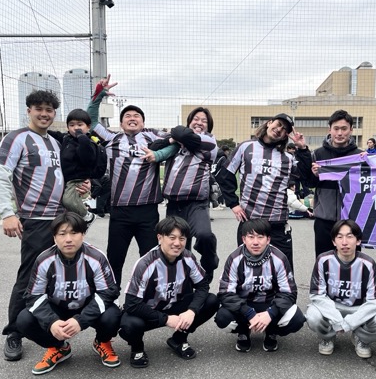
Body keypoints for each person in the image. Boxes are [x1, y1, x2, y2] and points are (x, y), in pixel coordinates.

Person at [0, 89, 90, 361]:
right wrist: (7, 213)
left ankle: (52, 323)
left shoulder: (56, 143)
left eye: (49, 109)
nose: (44, 114)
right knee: (29, 277)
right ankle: (14, 331)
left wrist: (81, 187)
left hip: (61, 218)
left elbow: (64, 177)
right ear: (29, 111)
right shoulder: (17, 138)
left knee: (61, 274)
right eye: (39, 109)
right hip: (35, 220)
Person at [88, 75, 171, 287]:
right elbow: (92, 120)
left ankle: (148, 296)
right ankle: (111, 297)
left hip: (147, 210)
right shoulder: (111, 138)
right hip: (120, 211)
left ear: (143, 122)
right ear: (121, 123)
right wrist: (98, 94)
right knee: (114, 258)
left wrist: (159, 155)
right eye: (127, 116)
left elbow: (178, 139)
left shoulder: (153, 136)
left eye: (136, 116)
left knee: (150, 259)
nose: (132, 118)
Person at [16, 212, 121, 375]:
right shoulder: (44, 260)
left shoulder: (96, 258)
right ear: (54, 237)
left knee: (113, 316)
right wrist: (51, 322)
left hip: (88, 305)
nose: (69, 239)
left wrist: (81, 320)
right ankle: (59, 348)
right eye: (62, 234)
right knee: (24, 320)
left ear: (83, 234)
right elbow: (33, 296)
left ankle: (102, 342)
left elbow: (108, 292)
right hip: (58, 307)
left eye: (74, 233)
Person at [119, 216, 219, 368]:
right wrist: (165, 319)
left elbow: (203, 286)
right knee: (130, 324)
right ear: (160, 238)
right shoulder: (145, 264)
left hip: (175, 304)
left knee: (211, 301)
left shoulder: (188, 257)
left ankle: (179, 339)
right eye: (172, 238)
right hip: (150, 311)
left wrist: (191, 311)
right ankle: (137, 348)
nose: (177, 243)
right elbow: (132, 303)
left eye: (182, 238)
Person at [147, 107, 220, 284]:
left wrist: (175, 135)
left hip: (196, 203)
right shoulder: (177, 144)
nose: (199, 123)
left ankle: (209, 264)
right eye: (196, 119)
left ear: (209, 126)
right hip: (174, 204)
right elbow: (153, 147)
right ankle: (182, 285)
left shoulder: (208, 141)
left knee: (204, 236)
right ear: (189, 122)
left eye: (204, 121)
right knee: (177, 247)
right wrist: (172, 139)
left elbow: (181, 133)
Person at [217, 113, 296, 268]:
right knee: (249, 271)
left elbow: (308, 178)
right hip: (250, 221)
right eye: (278, 124)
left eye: (284, 129)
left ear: (286, 136)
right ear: (269, 123)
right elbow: (225, 175)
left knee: (283, 272)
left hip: (277, 223)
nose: (279, 129)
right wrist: (233, 203)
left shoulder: (288, 157)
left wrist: (304, 149)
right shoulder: (246, 147)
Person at [215, 219, 306, 353]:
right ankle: (243, 331)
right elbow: (225, 292)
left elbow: (289, 292)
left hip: (269, 304)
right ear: (244, 239)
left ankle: (271, 331)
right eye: (251, 237)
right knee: (222, 317)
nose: (255, 242)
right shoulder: (234, 259)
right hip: (244, 305)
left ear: (268, 239)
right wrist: (248, 313)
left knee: (297, 319)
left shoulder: (279, 258)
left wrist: (271, 313)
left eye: (260, 237)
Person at [306, 219, 376, 358]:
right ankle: (328, 337)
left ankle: (362, 339)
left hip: (358, 308)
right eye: (339, 237)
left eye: (350, 236)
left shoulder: (368, 264)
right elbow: (317, 295)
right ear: (334, 241)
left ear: (358, 241)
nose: (344, 242)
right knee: (312, 316)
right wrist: (337, 320)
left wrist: (349, 323)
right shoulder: (323, 260)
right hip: (332, 306)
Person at [292, 110, 362, 257]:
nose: (340, 133)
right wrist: (315, 175)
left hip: (352, 219)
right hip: (324, 218)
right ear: (329, 129)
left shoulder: (360, 156)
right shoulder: (318, 154)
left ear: (351, 130)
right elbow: (309, 183)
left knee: (351, 260)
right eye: (336, 128)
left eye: (344, 129)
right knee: (324, 259)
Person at [49, 108, 106, 227]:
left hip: (78, 180)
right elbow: (55, 134)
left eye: (80, 125)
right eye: (72, 125)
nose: (76, 128)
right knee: (69, 205)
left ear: (88, 127)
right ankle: (81, 220)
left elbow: (87, 157)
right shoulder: (66, 139)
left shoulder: (88, 142)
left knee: (68, 201)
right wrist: (44, 131)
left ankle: (88, 216)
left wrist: (81, 137)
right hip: (68, 180)